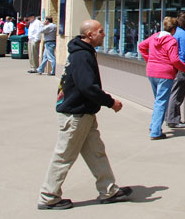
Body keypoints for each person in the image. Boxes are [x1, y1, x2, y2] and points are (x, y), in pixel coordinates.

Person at [37, 19, 132, 210]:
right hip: (76, 116)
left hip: (84, 114)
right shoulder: (82, 56)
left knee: (96, 153)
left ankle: (109, 190)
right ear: (89, 35)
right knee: (64, 156)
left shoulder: (83, 53)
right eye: (101, 31)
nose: (104, 34)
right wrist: (110, 102)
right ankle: (49, 196)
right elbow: (88, 87)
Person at [138, 16, 185, 140]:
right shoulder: (171, 41)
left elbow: (141, 46)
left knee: (158, 101)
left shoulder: (155, 36)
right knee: (161, 103)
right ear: (174, 29)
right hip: (165, 73)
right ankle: (155, 132)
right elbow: (174, 59)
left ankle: (153, 125)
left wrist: (149, 59)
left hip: (152, 71)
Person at [166, 12, 185, 128]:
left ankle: (170, 117)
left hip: (172, 66)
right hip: (181, 66)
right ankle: (173, 119)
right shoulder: (183, 34)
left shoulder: (174, 33)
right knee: (177, 94)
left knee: (173, 92)